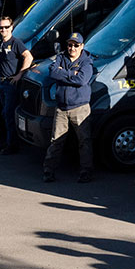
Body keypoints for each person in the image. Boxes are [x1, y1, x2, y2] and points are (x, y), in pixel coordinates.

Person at [43, 32, 95, 183]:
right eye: (70, 45)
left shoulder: (87, 62)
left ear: (82, 46)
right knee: (56, 141)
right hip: (61, 108)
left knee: (84, 141)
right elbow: (52, 72)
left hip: (80, 108)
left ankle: (86, 172)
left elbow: (82, 80)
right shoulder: (61, 56)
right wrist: (72, 73)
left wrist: (63, 73)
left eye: (76, 45)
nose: (72, 48)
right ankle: (48, 170)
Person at [0, 16, 33, 154]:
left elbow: (28, 56)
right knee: (4, 115)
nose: (3, 30)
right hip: (2, 82)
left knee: (9, 114)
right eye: (1, 27)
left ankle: (13, 145)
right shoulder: (1, 43)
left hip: (11, 84)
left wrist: (19, 75)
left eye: (6, 27)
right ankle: (7, 141)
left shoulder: (16, 42)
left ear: (12, 28)